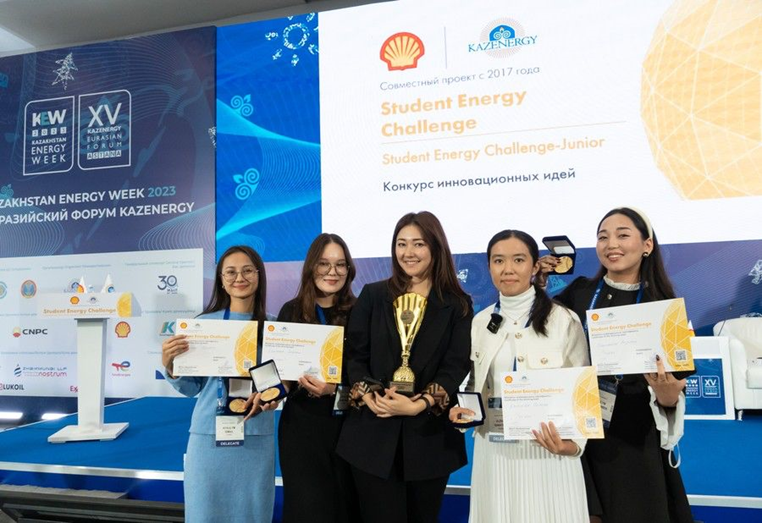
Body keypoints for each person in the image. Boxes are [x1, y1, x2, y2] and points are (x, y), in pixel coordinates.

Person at [544, 207, 693, 523]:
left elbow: (674, 388)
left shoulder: (664, 308)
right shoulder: (580, 292)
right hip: (579, 427)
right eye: (603, 237)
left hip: (633, 436)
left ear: (647, 245)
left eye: (623, 235)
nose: (611, 244)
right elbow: (539, 328)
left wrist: (667, 397)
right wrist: (536, 281)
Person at [336, 211, 473, 523]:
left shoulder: (458, 303)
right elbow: (354, 355)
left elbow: (455, 365)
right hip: (372, 433)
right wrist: (368, 394)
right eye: (401, 244)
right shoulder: (373, 295)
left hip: (428, 438)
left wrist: (420, 404)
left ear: (436, 247)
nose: (408, 252)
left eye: (418, 244)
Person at [450, 229, 590, 522]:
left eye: (518, 259)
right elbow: (474, 382)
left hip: (548, 451)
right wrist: (462, 413)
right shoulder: (480, 322)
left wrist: (573, 445)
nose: (508, 269)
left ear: (535, 266)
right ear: (489, 267)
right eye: (498, 261)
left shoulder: (563, 320)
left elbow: (583, 391)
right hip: (494, 451)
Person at [161, 245, 278, 523]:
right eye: (231, 272)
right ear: (221, 280)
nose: (240, 277)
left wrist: (272, 397)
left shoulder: (274, 327)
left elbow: (276, 385)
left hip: (255, 437)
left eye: (247, 270)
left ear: (259, 275)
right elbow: (191, 387)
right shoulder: (203, 325)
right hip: (208, 437)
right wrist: (170, 365)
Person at [277, 233, 361, 523]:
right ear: (311, 266)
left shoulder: (361, 311)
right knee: (307, 509)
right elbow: (281, 373)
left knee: (346, 509)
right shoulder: (291, 311)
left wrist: (335, 390)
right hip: (301, 430)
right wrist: (271, 391)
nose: (332, 272)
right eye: (324, 263)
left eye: (340, 264)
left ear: (349, 269)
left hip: (350, 427)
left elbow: (372, 375)